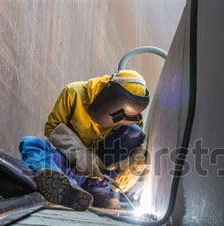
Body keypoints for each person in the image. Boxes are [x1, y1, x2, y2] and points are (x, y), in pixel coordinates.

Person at [19, 70, 149, 210]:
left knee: (135, 134)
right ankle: (58, 183)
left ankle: (98, 193)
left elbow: (129, 168)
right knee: (31, 144)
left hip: (101, 179)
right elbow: (52, 128)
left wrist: (129, 167)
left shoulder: (132, 119)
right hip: (68, 165)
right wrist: (81, 156)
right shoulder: (74, 93)